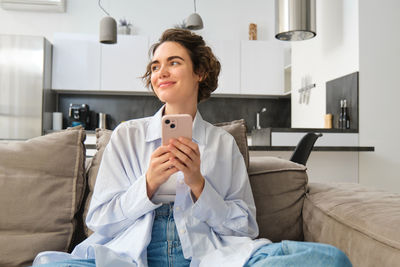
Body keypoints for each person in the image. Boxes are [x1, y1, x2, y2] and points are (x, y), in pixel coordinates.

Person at [32, 29, 352, 267]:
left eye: (173, 62)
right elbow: (100, 221)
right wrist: (149, 183)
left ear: (200, 72)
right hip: (135, 253)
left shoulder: (221, 144)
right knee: (47, 263)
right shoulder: (127, 136)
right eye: (156, 66)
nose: (161, 73)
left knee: (330, 260)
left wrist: (199, 184)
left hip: (205, 252)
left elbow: (245, 227)